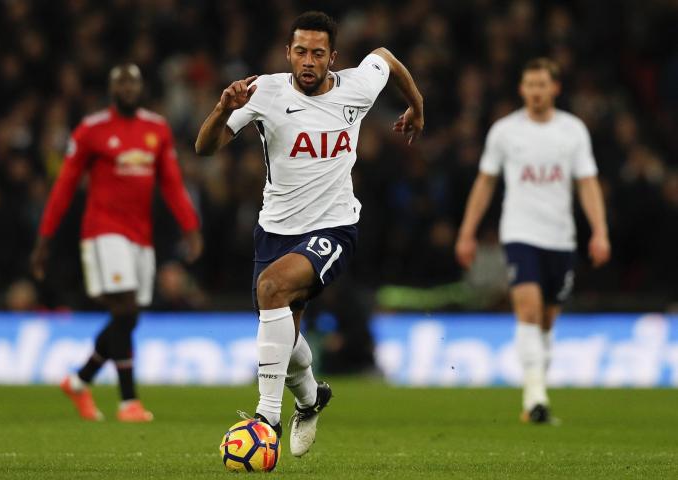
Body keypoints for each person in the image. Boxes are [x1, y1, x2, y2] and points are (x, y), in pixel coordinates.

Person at [195, 11, 423, 456]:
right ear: (288, 53)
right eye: (300, 51)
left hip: (335, 226)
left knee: (272, 288)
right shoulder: (264, 92)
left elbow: (386, 58)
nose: (308, 60)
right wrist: (223, 108)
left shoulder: (357, 85)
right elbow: (205, 147)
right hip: (275, 229)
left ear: (332, 58)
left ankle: (267, 419)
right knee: (285, 336)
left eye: (318, 53)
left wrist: (417, 105)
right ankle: (311, 397)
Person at [30, 64, 203, 422]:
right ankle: (128, 402)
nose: (127, 88)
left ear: (141, 88)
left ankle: (79, 381)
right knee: (124, 309)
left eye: (133, 83)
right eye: (121, 83)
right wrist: (45, 238)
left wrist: (190, 226)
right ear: (112, 89)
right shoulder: (91, 131)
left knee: (130, 316)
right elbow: (64, 185)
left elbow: (171, 182)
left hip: (141, 236)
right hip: (103, 231)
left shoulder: (156, 128)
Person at [455, 58, 610, 424]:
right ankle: (536, 398)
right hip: (520, 233)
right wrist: (467, 231)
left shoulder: (573, 131)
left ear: (554, 88)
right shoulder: (505, 132)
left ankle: (536, 393)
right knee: (528, 310)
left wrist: (599, 230)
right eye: (530, 85)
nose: (536, 92)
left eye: (542, 85)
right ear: (521, 89)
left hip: (561, 237)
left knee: (547, 321)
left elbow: (587, 183)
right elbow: (485, 182)